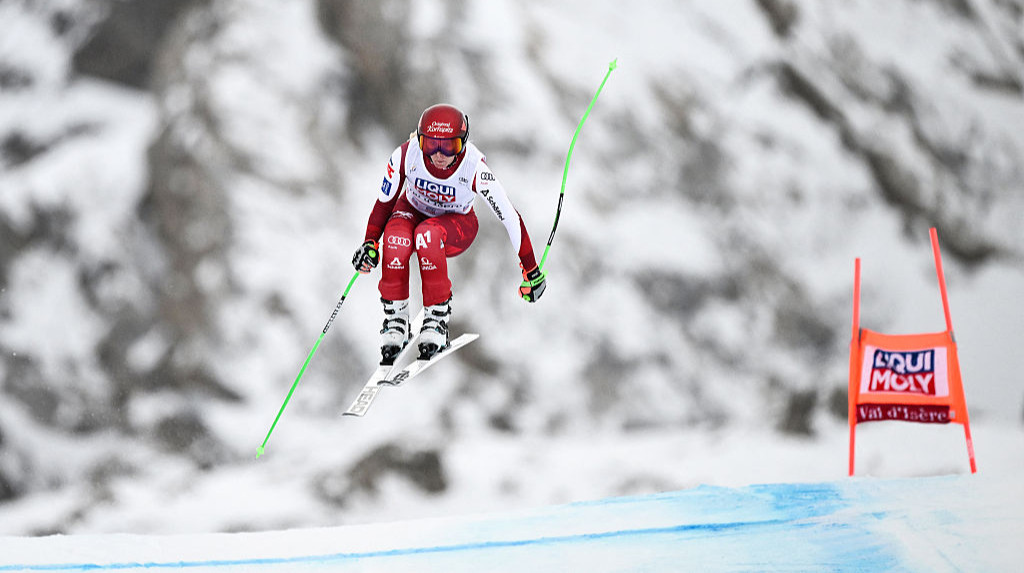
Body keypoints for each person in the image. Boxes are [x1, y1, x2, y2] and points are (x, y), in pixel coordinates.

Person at [352, 103, 547, 364]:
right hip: (412, 210)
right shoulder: (406, 155)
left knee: (427, 235)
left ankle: (436, 319)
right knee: (396, 238)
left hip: (457, 224)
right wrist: (369, 243)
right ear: (419, 140)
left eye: (449, 146)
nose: (439, 155)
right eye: (431, 145)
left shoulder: (473, 167)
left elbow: (509, 217)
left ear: (463, 144)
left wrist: (531, 270)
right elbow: (384, 204)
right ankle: (396, 320)